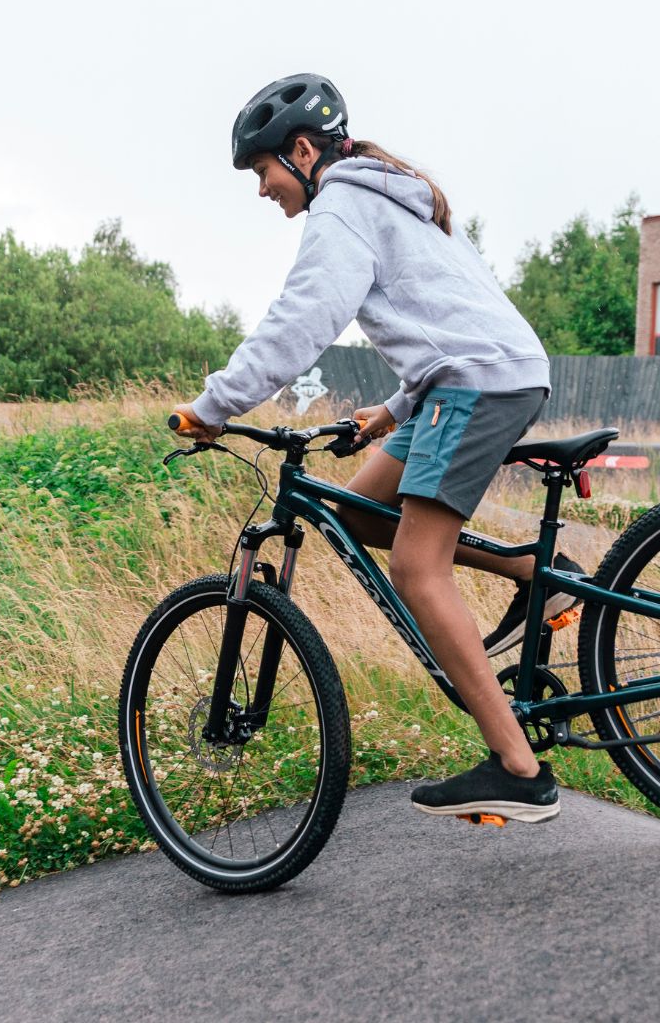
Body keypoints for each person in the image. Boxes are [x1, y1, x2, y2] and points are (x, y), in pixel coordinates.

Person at [170, 73, 585, 823]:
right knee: (358, 512)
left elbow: (301, 322)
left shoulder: (343, 208)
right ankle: (538, 575)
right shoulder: (393, 196)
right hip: (475, 377)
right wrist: (392, 410)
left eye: (262, 170)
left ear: (302, 151)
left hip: (474, 385)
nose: (262, 189)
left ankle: (516, 769)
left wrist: (213, 406)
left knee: (417, 569)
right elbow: (450, 317)